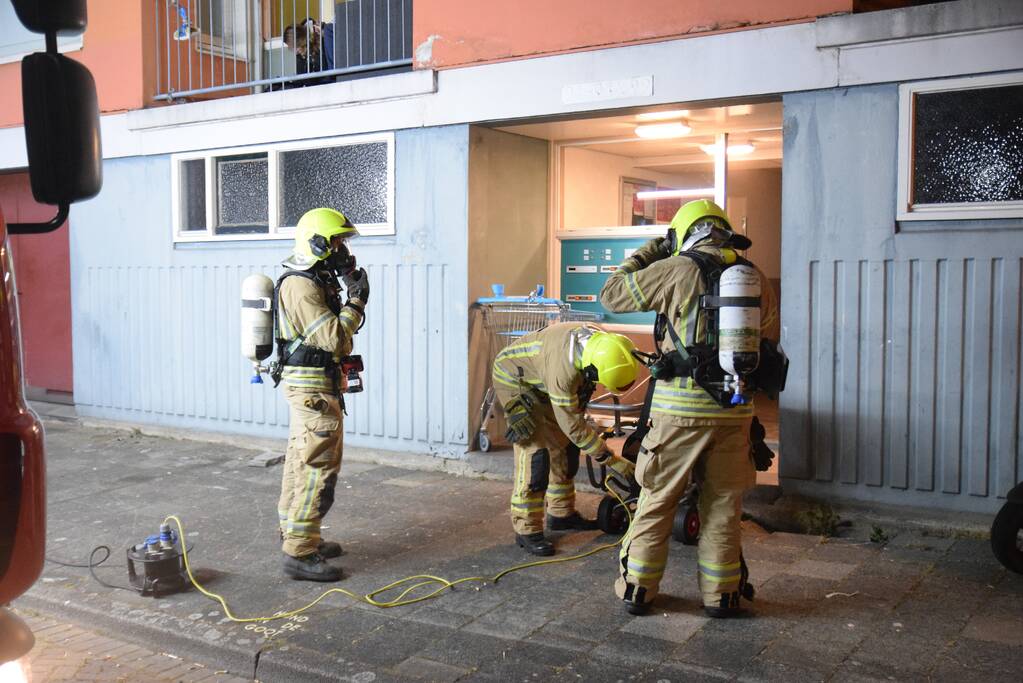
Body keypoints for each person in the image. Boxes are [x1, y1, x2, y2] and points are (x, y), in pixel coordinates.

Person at [599, 199, 779, 617]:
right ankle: (722, 596)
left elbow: (611, 295)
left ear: (683, 234)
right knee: (722, 507)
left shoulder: (677, 268)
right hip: (735, 413)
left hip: (678, 414)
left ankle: (637, 590)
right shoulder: (754, 278)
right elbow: (765, 337)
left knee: (658, 498)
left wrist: (651, 251)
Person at [273, 207, 369, 581]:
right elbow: (334, 339)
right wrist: (356, 301)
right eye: (337, 241)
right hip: (312, 391)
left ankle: (298, 533)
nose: (343, 248)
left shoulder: (314, 278)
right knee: (318, 468)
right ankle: (300, 552)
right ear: (318, 243)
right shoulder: (300, 284)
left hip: (316, 388)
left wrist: (346, 287)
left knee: (301, 462)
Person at [492, 322, 639, 556]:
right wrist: (611, 460)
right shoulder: (563, 372)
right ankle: (526, 528)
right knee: (536, 455)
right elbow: (572, 425)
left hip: (541, 380)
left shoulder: (602, 347)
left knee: (563, 448)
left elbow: (571, 423)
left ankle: (561, 515)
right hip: (515, 380)